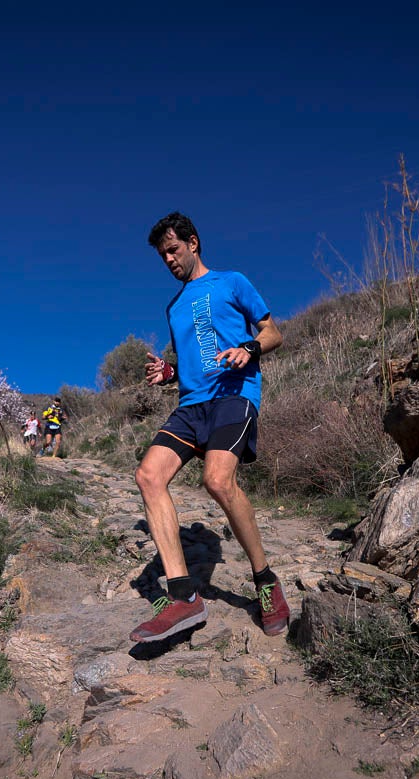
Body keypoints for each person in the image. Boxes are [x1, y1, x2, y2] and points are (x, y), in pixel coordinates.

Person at [130, 211, 289, 644]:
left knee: (218, 481)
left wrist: (248, 348)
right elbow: (195, 365)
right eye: (162, 255)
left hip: (233, 397)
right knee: (148, 476)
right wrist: (171, 373)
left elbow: (273, 332)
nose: (167, 259)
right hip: (191, 405)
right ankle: (183, 597)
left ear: (193, 243)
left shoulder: (232, 281)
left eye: (173, 249)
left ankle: (265, 580)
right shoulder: (174, 305)